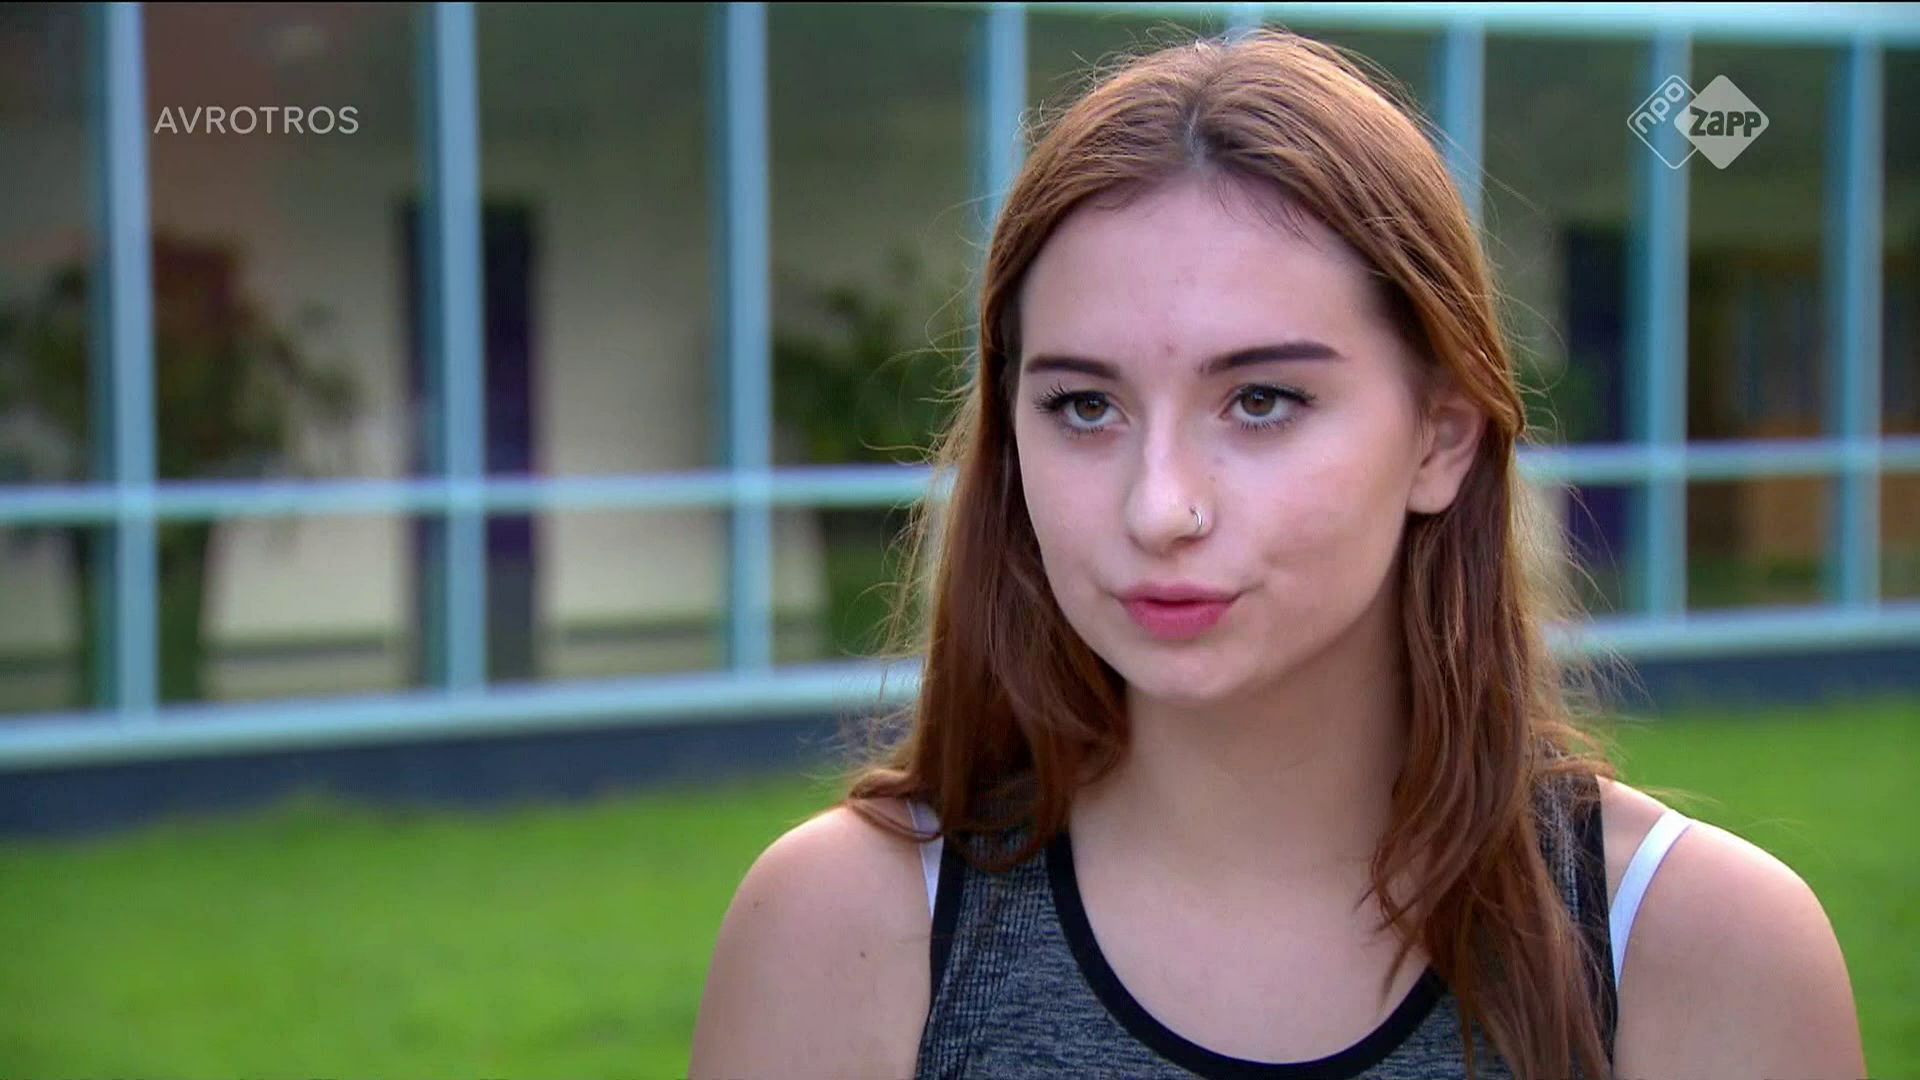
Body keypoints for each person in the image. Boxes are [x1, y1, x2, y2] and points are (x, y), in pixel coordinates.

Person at [689, 27, 1866, 1080]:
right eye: (1085, 407)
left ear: (1441, 439)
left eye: (1261, 400)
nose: (1161, 508)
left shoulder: (1697, 947)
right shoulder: (845, 930)